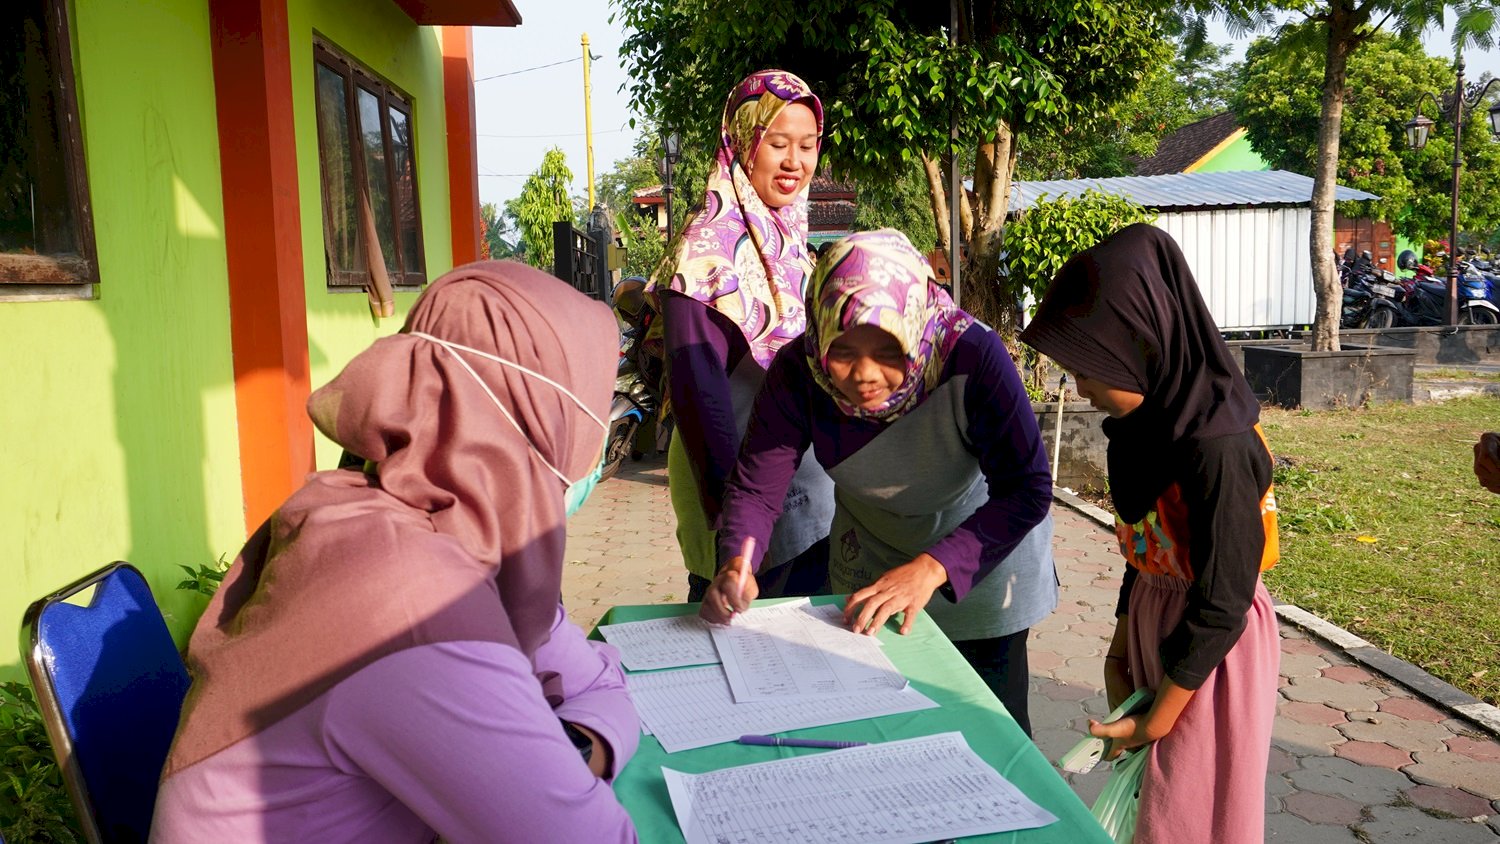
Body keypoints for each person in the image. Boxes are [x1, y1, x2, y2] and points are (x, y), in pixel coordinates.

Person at [152, 262, 640, 843]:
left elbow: (600, 684)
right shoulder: (413, 601)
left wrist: (580, 751)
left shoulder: (411, 517)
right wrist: (563, 771)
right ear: (543, 424)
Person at [705, 229, 1057, 736]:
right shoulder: (799, 371)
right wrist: (738, 559)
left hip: (979, 556)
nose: (864, 376)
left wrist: (932, 568)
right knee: (880, 728)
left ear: (914, 326)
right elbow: (759, 486)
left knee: (987, 733)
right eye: (844, 351)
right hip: (871, 555)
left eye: (888, 350)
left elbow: (1027, 489)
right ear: (821, 334)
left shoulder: (973, 356)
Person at [1019, 224, 1280, 844]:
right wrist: (1117, 650)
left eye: (1088, 367)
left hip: (1209, 655)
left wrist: (1156, 719)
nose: (1077, 386)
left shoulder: (1217, 447)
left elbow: (1224, 599)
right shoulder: (1140, 434)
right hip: (1152, 626)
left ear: (1142, 345)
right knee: (1150, 808)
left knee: (1189, 814)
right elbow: (1143, 550)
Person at [650, 69, 834, 604]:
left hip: (800, 478)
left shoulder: (791, 241)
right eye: (777, 143)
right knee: (740, 633)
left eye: (807, 145)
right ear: (743, 143)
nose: (794, 162)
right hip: (736, 482)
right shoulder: (705, 252)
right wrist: (738, 526)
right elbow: (699, 396)